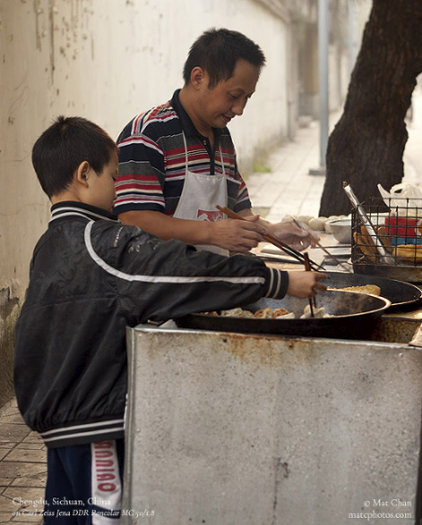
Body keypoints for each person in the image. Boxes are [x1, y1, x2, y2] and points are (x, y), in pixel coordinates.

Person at [14, 116, 326, 524]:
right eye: (115, 176)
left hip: (59, 422)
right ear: (84, 175)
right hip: (93, 428)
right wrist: (279, 279)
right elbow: (183, 272)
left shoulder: (51, 244)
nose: (119, 188)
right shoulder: (100, 243)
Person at [115, 28, 318, 256]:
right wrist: (211, 233)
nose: (239, 109)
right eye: (233, 96)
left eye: (246, 98)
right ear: (199, 78)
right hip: (161, 285)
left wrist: (270, 231)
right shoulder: (148, 133)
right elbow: (134, 219)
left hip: (212, 278)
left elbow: (238, 211)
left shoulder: (222, 136)